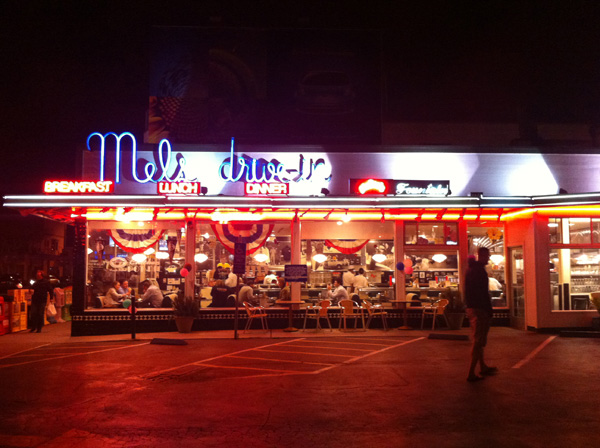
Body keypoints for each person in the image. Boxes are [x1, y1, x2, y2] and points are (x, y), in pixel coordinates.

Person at [465, 247, 498, 382]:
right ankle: (471, 373)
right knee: (478, 341)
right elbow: (482, 293)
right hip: (479, 309)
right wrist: (487, 309)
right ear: (482, 255)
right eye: (487, 256)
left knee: (478, 339)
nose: (489, 258)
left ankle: (483, 366)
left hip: (473, 308)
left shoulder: (472, 269)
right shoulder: (478, 271)